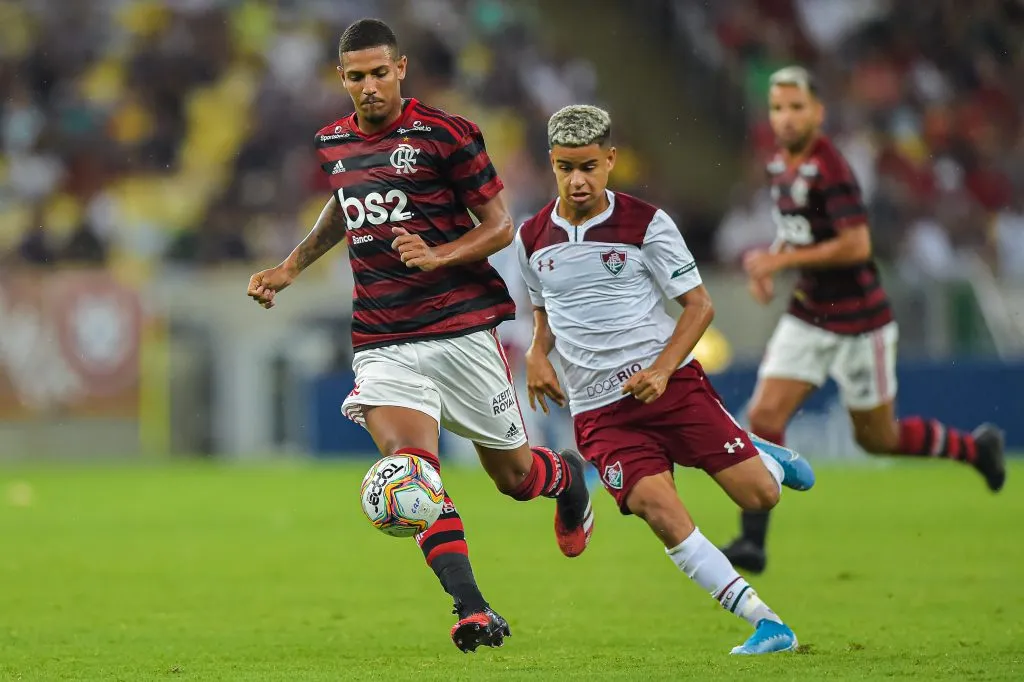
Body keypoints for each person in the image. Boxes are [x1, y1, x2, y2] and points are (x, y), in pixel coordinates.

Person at [245, 18, 594, 653]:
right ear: (342, 79)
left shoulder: (448, 135)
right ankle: (473, 610)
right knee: (411, 475)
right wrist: (292, 265)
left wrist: (438, 256)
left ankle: (566, 479)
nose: (369, 86)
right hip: (383, 339)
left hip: (459, 330)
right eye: (356, 76)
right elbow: (345, 204)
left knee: (515, 478)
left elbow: (499, 228)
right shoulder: (332, 141)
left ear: (401, 69)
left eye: (380, 72)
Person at [517, 103, 814, 655]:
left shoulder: (646, 224)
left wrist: (661, 369)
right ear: (551, 164)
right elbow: (543, 308)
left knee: (761, 495)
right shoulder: (531, 236)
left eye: (588, 166)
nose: (577, 180)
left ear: (610, 160)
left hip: (670, 388)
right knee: (660, 512)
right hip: (600, 413)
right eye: (564, 168)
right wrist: (537, 354)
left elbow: (699, 307)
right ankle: (767, 623)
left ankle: (756, 450)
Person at [720, 66, 1007, 574]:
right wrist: (771, 260)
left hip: (860, 321)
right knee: (763, 418)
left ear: (818, 113)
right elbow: (797, 230)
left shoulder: (831, 168)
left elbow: (857, 245)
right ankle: (753, 542)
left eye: (796, 108)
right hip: (809, 313)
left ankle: (976, 448)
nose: (785, 118)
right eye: (778, 108)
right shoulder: (778, 164)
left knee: (877, 437)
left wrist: (778, 263)